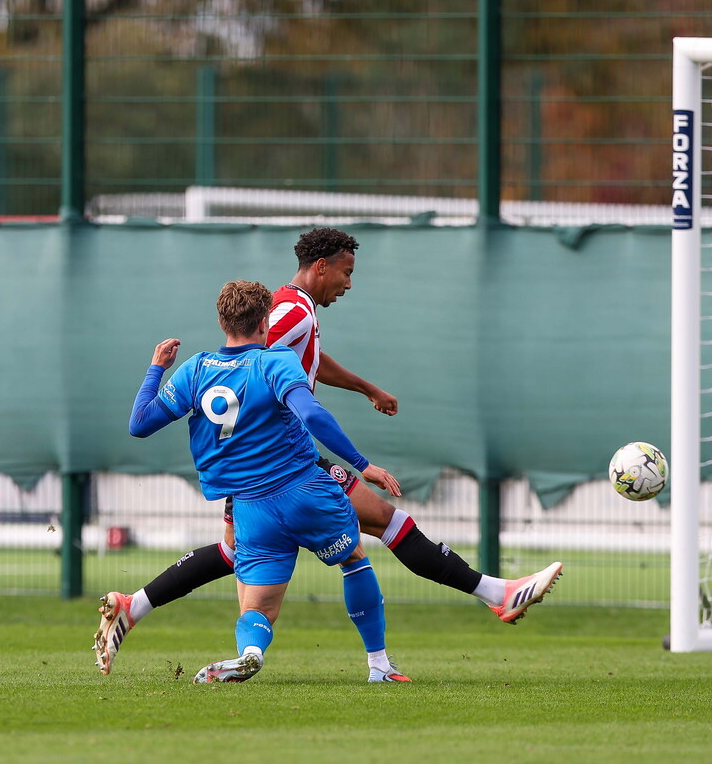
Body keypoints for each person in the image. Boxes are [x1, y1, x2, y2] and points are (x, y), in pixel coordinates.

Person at [94, 228, 563, 676]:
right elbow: (258, 367)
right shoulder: (289, 313)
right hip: (283, 463)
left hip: (255, 470)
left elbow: (299, 363)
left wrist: (364, 387)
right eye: (346, 272)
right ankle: (473, 607)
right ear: (320, 267)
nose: (348, 283)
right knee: (375, 529)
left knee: (247, 559)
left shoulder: (292, 313)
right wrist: (360, 462)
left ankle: (137, 608)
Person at [94, 280, 409, 683]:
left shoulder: (195, 369)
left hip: (251, 509)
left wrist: (156, 368)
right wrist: (362, 464)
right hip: (304, 490)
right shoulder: (275, 360)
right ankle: (379, 666)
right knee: (352, 560)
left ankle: (252, 653)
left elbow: (139, 425)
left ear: (222, 320)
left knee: (257, 609)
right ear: (265, 322)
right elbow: (312, 416)